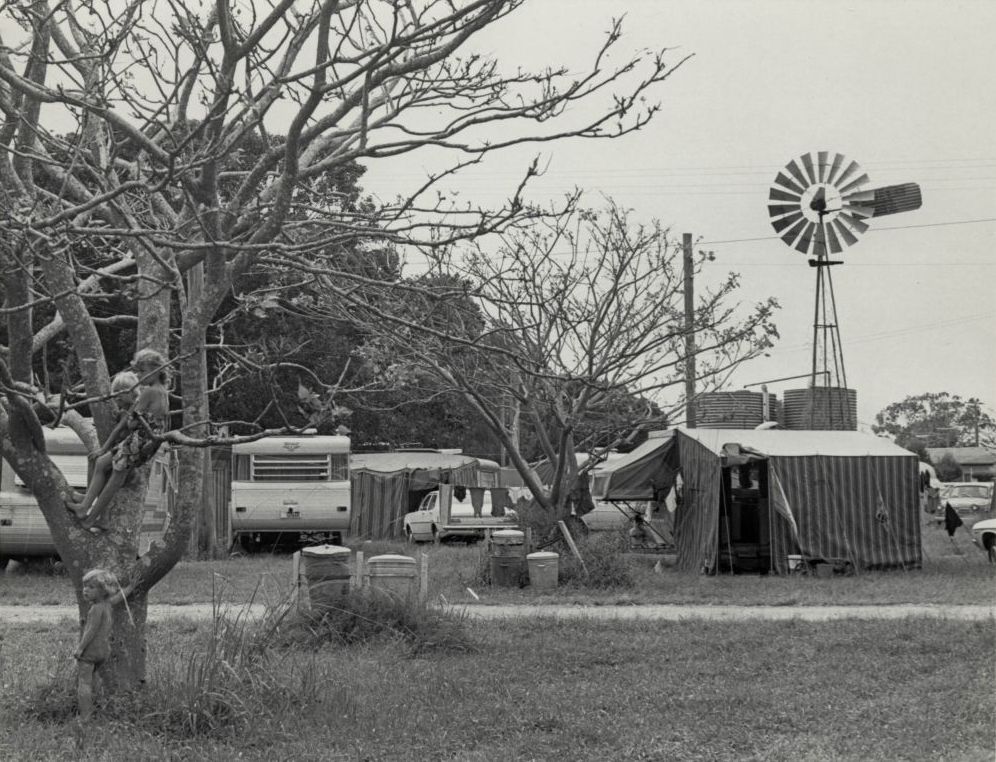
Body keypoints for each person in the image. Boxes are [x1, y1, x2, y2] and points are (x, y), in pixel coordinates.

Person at [66, 349, 170, 532]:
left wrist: (130, 420)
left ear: (157, 369)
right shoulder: (162, 392)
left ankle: (90, 518)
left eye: (142, 371)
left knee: (115, 477)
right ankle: (85, 505)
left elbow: (129, 424)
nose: (139, 376)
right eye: (137, 372)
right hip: (146, 443)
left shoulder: (149, 393)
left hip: (139, 441)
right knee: (100, 462)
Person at [74, 568, 133, 720]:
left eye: (91, 587)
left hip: (90, 652)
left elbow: (91, 630)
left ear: (103, 591)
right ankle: (101, 705)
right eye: (85, 587)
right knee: (95, 678)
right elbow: (119, 597)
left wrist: (80, 648)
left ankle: (85, 716)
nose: (85, 590)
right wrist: (130, 588)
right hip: (104, 651)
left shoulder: (96, 609)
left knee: (84, 683)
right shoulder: (108, 604)